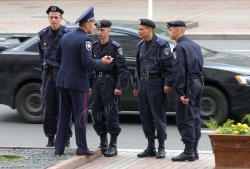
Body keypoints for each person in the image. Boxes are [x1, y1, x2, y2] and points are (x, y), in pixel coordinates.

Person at [54, 6, 113, 156]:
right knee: (80, 116)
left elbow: (57, 57)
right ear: (87, 24)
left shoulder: (66, 36)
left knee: (63, 116)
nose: (94, 28)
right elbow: (88, 63)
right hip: (78, 83)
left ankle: (59, 148)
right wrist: (102, 62)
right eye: (93, 25)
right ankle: (82, 149)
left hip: (63, 81)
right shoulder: (85, 40)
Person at [133, 19, 172, 159]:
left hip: (156, 83)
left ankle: (161, 146)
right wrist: (137, 85)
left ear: (150, 30)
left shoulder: (162, 45)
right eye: (138, 29)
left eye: (141, 29)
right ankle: (151, 147)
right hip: (144, 82)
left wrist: (168, 83)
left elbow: (169, 67)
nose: (139, 31)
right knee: (145, 116)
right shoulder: (141, 45)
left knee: (158, 116)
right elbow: (137, 68)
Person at [89, 20, 128, 157]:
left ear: (109, 31)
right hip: (96, 83)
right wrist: (89, 85)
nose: (99, 32)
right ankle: (103, 141)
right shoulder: (94, 46)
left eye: (102, 30)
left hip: (109, 83)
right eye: (98, 30)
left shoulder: (115, 47)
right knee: (96, 113)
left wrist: (119, 86)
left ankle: (113, 144)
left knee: (111, 114)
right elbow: (90, 67)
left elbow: (123, 70)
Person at [166, 20, 204, 161]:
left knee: (185, 118)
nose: (169, 32)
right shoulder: (194, 45)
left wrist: (181, 92)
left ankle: (188, 152)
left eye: (170, 30)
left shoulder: (179, 47)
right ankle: (194, 150)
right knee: (195, 117)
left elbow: (179, 71)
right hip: (197, 83)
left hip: (187, 86)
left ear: (177, 31)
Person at [37, 6, 72, 147]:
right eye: (51, 17)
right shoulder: (42, 34)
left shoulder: (68, 34)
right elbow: (41, 57)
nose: (53, 20)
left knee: (64, 107)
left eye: (56, 17)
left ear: (61, 18)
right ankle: (50, 138)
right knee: (48, 108)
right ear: (48, 18)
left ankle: (66, 138)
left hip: (62, 76)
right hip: (47, 76)